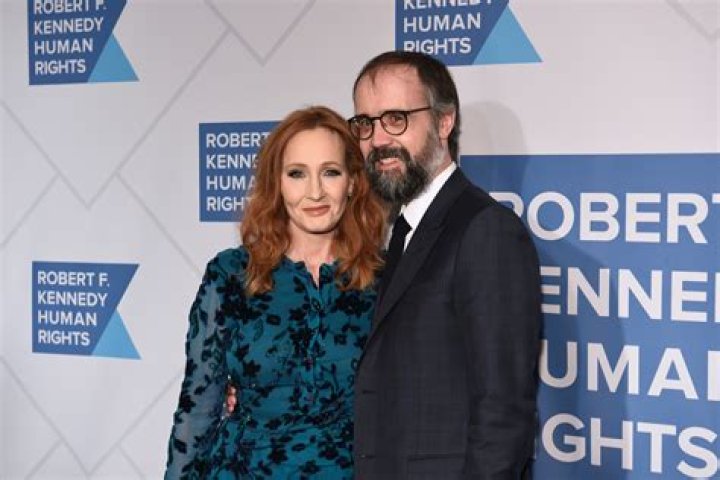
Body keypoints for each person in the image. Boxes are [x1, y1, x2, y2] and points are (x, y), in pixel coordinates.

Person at [347, 51, 542, 479]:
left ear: (444, 122)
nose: (378, 140)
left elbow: (503, 413)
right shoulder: (400, 232)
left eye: (396, 118)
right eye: (365, 123)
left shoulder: (486, 231)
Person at [164, 106, 386, 479]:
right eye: (297, 173)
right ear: (277, 183)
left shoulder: (383, 279)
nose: (314, 191)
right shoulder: (232, 274)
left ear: (352, 182)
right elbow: (198, 408)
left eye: (330, 172)